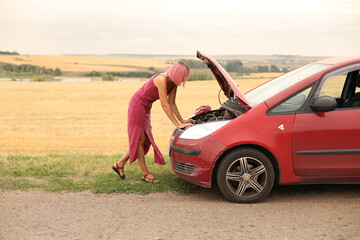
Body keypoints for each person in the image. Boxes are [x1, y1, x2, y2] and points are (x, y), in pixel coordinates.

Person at [112, 62, 194, 183]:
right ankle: (145, 174)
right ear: (177, 74)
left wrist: (182, 120)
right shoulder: (161, 79)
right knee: (140, 139)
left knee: (145, 140)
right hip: (137, 104)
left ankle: (119, 165)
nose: (183, 81)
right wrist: (177, 124)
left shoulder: (173, 84)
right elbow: (165, 105)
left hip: (145, 107)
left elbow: (172, 103)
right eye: (182, 77)